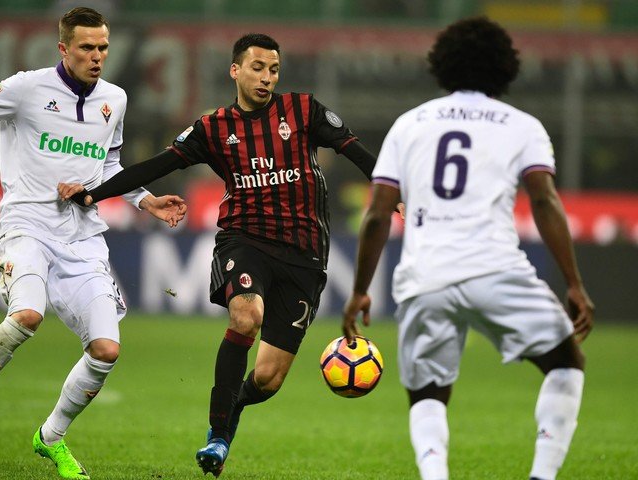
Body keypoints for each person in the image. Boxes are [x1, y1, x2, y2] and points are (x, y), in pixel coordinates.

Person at [58, 33, 380, 477]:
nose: (266, 77)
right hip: (244, 239)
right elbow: (156, 165)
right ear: (235, 70)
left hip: (305, 256)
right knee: (246, 315)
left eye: (273, 70)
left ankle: (233, 413)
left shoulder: (304, 111)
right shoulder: (213, 129)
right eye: (257, 68)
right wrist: (95, 194)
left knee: (267, 380)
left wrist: (390, 193)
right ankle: (218, 435)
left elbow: (355, 151)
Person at [0, 7, 186, 480]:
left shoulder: (115, 99)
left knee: (106, 350)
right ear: (63, 49)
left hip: (84, 239)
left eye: (103, 47)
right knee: (26, 315)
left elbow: (107, 166)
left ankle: (52, 437)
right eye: (87, 47)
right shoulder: (25, 88)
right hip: (27, 228)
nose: (98, 56)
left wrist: (145, 201)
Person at [342, 16, 593, 480]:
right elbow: (544, 199)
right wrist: (574, 283)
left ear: (442, 65)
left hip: (424, 278)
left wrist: (360, 290)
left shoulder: (409, 124)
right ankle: (542, 474)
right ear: (505, 66)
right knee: (565, 361)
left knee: (428, 394)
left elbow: (378, 214)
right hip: (494, 270)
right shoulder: (523, 126)